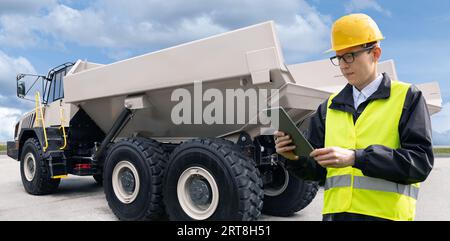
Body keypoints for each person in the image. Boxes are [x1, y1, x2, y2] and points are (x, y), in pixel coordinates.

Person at [274, 13, 433, 221]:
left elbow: (419, 163)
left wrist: (356, 158)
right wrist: (293, 158)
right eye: (338, 57)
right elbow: (316, 172)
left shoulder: (407, 98)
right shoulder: (329, 107)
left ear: (375, 53)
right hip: (336, 216)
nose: (343, 65)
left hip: (386, 217)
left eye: (350, 55)